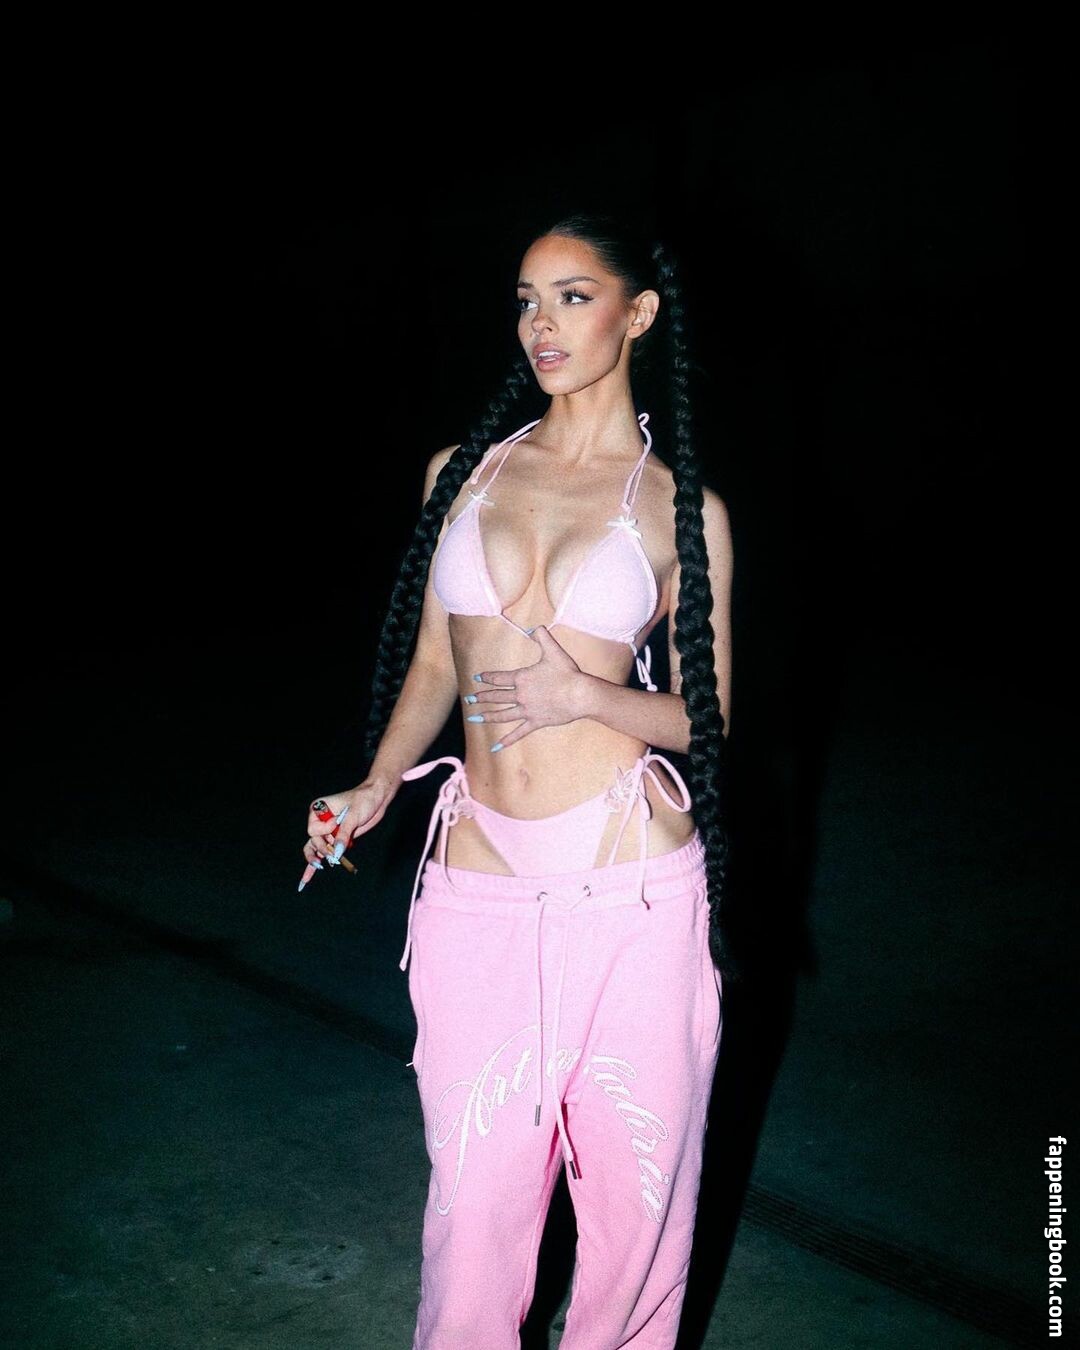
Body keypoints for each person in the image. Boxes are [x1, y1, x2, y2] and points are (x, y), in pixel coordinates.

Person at [303, 212, 734, 1349]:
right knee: (475, 1206)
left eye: (574, 297)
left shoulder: (682, 509)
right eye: (527, 301)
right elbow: (436, 664)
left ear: (639, 314)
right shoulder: (463, 474)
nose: (542, 324)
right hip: (479, 877)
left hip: (631, 885)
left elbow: (710, 722)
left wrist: (588, 695)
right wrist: (378, 783)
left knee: (636, 1209)